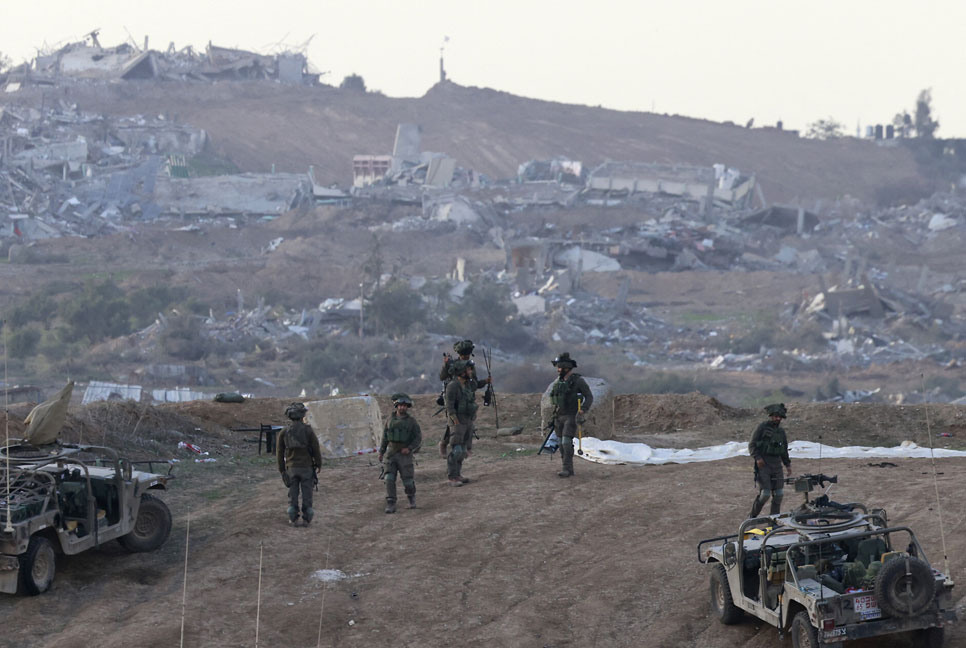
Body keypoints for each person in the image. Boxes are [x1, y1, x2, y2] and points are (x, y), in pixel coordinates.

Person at [437, 339, 490, 456]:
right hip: (454, 396)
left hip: (467, 396)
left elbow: (474, 383)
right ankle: (444, 443)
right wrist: (445, 365)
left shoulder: (470, 366)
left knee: (468, 422)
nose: (465, 357)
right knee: (453, 422)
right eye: (463, 355)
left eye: (467, 355)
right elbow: (442, 377)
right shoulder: (452, 365)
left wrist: (485, 382)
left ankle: (466, 447)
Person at [276, 402, 322, 526]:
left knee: (293, 495)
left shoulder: (284, 432)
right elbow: (316, 449)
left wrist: (282, 469)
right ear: (302, 415)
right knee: (307, 494)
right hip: (306, 468)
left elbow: (279, 452)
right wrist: (318, 464)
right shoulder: (308, 431)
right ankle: (307, 518)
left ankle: (293, 518)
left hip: (291, 468)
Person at [549, 352, 594, 478]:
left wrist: (583, 410)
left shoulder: (578, 381)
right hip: (559, 416)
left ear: (566, 368)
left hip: (571, 416)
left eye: (560, 367)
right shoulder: (559, 382)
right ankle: (568, 467)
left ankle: (566, 469)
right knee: (561, 445)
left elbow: (589, 396)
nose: (558, 370)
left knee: (566, 443)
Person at [378, 393, 422, 514]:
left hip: (404, 455)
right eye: (400, 405)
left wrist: (410, 448)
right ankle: (391, 502)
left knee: (407, 480)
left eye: (405, 406)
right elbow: (385, 437)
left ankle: (411, 499)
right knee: (389, 478)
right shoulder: (389, 420)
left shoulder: (411, 422)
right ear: (396, 406)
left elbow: (418, 438)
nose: (402, 408)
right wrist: (381, 452)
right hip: (391, 453)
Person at [748, 403, 793, 518]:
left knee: (779, 494)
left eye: (780, 417)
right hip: (764, 464)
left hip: (777, 465)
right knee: (765, 494)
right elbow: (752, 445)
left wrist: (787, 464)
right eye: (776, 416)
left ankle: (774, 520)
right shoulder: (762, 427)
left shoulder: (781, 432)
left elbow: (784, 449)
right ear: (771, 416)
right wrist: (757, 458)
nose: (778, 419)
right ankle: (751, 517)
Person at [444, 359, 478, 486]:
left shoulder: (468, 385)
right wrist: (454, 420)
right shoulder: (453, 386)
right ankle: (452, 476)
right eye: (468, 370)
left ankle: (458, 474)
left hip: (467, 420)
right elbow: (449, 405)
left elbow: (476, 384)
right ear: (462, 372)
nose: (470, 372)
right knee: (456, 450)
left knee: (463, 451)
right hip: (457, 421)